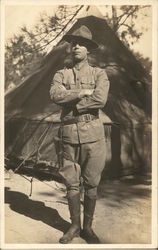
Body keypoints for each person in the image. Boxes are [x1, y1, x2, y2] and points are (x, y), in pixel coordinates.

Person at [50, 25, 110, 244]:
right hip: (68, 135)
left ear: (89, 50)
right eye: (73, 43)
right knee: (71, 183)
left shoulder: (99, 73)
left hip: (93, 135)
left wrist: (72, 99)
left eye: (82, 43)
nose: (76, 46)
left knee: (92, 183)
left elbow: (100, 100)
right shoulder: (61, 74)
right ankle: (74, 225)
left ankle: (88, 227)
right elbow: (55, 95)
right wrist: (83, 92)